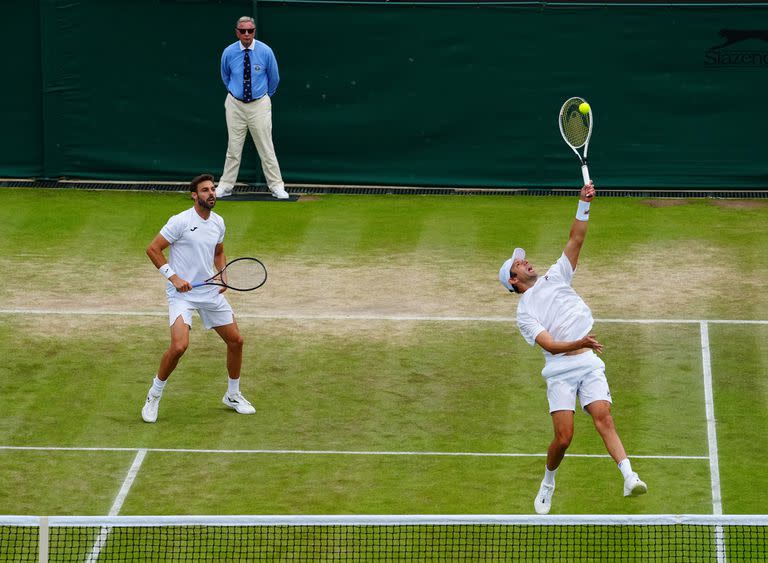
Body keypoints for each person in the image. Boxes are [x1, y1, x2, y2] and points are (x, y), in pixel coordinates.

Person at [498, 181, 647, 515]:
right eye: (518, 265)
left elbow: (576, 238)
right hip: (561, 371)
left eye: (522, 261)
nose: (525, 263)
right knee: (564, 438)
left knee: (603, 418)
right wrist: (579, 342)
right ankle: (548, 481)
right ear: (513, 282)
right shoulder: (524, 313)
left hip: (589, 362)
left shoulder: (556, 275)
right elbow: (549, 345)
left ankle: (629, 476)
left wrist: (584, 204)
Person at [142, 174, 256, 423]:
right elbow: (153, 249)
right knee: (179, 346)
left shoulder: (218, 222)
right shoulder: (180, 221)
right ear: (194, 195)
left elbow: (219, 251)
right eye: (205, 190)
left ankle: (233, 394)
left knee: (236, 341)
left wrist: (222, 272)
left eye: (213, 189)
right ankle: (154, 394)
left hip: (209, 292)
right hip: (182, 295)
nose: (211, 193)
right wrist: (173, 278)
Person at [216, 16, 289, 200]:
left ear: (254, 31)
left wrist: (263, 97)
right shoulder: (229, 52)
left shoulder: (265, 51)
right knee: (233, 147)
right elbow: (226, 76)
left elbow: (274, 78)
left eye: (250, 31)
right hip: (235, 104)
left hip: (259, 104)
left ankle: (276, 186)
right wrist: (237, 94)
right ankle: (225, 186)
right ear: (237, 32)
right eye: (242, 31)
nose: (246, 34)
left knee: (266, 147)